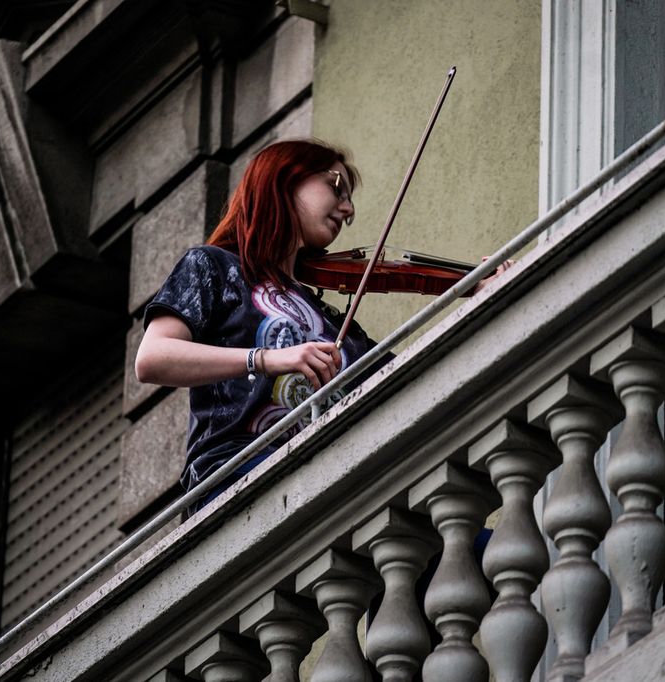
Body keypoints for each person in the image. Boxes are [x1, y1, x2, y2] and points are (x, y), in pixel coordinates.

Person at [136, 139, 510, 509]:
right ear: (284, 178)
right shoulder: (214, 266)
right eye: (336, 187)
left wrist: (480, 298)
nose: (347, 210)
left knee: (472, 546)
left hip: (327, 483)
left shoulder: (332, 322)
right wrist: (267, 359)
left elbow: (410, 383)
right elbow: (153, 358)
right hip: (236, 475)